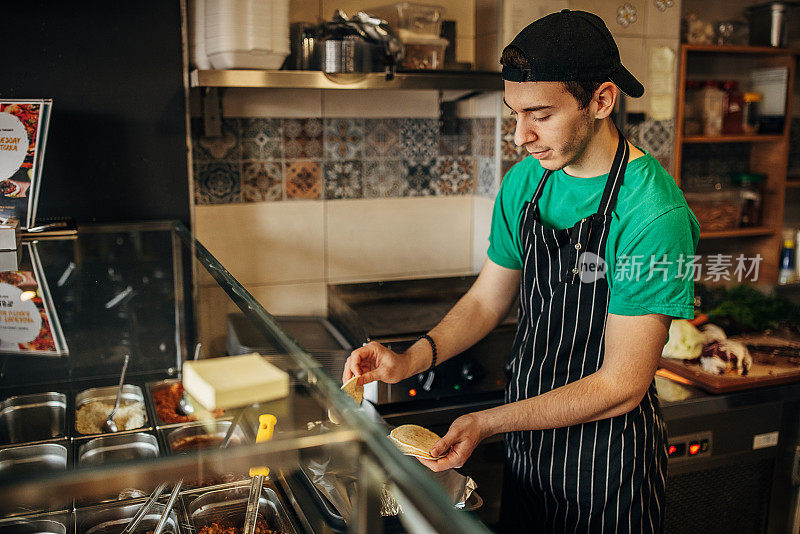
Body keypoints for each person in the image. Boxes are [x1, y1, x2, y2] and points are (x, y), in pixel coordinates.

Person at [342, 9, 699, 533]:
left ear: (601, 100)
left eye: (541, 115)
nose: (520, 136)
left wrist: (488, 422)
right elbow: (488, 301)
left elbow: (623, 383)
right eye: (514, 114)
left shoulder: (654, 215)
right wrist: (407, 360)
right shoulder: (526, 184)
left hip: (607, 466)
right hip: (530, 451)